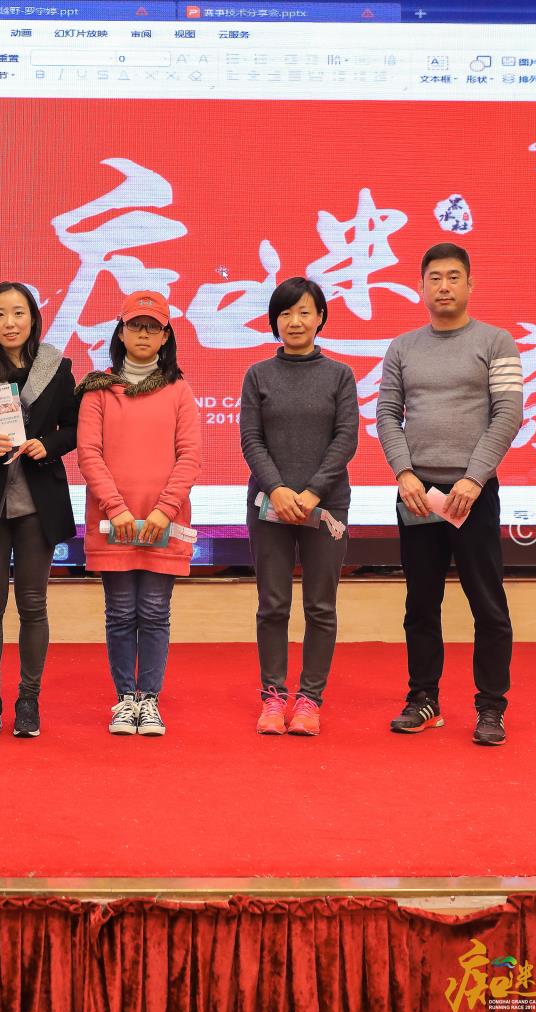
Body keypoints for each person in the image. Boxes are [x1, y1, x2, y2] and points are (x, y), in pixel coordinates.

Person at [376, 242, 523, 746]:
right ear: (420, 287)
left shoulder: (496, 341)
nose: (444, 286)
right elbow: (386, 414)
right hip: (419, 494)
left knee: (487, 603)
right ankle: (423, 700)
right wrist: (404, 473)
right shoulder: (402, 348)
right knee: (421, 603)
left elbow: (508, 414)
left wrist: (474, 478)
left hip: (472, 493)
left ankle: (491, 707)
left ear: (470, 284)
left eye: (453, 277)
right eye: (434, 278)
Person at [0, 282, 79, 739]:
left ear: (33, 318)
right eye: (0, 314)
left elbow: (75, 427)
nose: (10, 323)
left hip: (37, 503)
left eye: (18, 313)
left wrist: (48, 444)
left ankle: (29, 700)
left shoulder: (57, 368)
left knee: (33, 605)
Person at [76, 291, 201, 737]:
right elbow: (89, 455)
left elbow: (189, 457)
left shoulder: (179, 390)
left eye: (153, 327)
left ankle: (149, 700)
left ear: (166, 336)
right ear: (121, 332)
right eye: (135, 325)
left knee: (153, 611)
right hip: (114, 523)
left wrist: (164, 511)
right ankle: (124, 700)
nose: (144, 334)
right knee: (121, 612)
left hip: (164, 524)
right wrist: (117, 508)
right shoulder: (98, 390)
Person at [239, 277, 358, 737]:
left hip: (327, 506)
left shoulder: (340, 375)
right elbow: (251, 439)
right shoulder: (258, 375)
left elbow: (345, 438)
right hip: (268, 506)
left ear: (320, 318)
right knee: (272, 604)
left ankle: (309, 700)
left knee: (320, 606)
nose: (295, 321)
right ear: (274, 321)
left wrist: (311, 493)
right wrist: (277, 489)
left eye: (305, 312)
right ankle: (272, 697)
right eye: (286, 313)